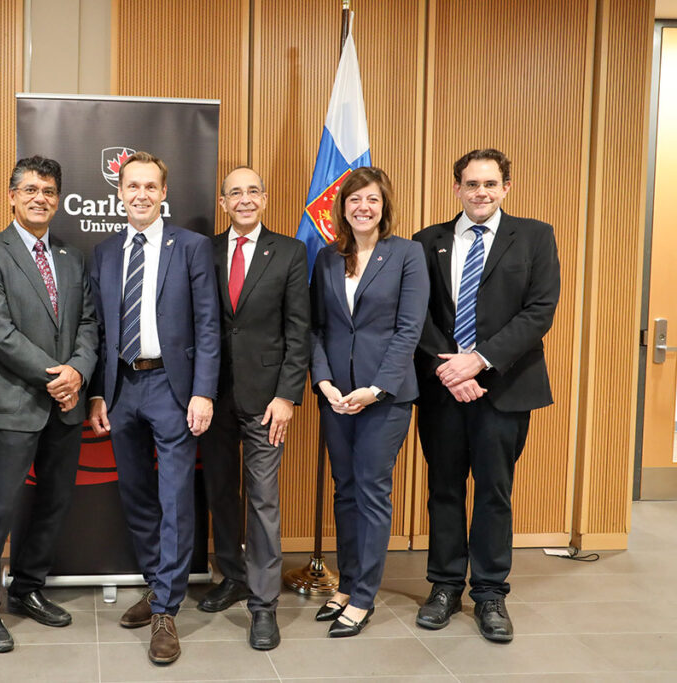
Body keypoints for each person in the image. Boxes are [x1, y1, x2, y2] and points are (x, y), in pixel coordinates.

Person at [412, 149, 560, 643]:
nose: (481, 193)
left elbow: (539, 312)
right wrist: (452, 369)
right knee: (445, 489)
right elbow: (419, 317)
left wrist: (478, 361)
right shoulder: (426, 241)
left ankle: (491, 593)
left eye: (490, 184)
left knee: (494, 492)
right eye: (471, 184)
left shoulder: (534, 236)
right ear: (456, 188)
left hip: (506, 388)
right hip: (442, 389)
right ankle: (445, 586)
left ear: (506, 188)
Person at [88, 151, 220, 664]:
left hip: (173, 386)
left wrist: (203, 391)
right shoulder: (103, 251)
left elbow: (208, 324)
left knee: (175, 498)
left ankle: (166, 609)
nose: (140, 194)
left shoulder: (190, 247)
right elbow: (99, 330)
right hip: (122, 389)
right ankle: (155, 582)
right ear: (119, 193)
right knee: (137, 495)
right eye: (132, 186)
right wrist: (99, 392)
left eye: (150, 186)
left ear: (165, 193)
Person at [0, 156, 99, 653]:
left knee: (54, 502)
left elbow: (88, 323)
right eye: (31, 189)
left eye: (49, 191)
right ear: (12, 196)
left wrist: (78, 372)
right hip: (15, 402)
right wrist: (56, 377)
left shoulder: (70, 255)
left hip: (65, 404)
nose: (41, 197)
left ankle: (27, 588)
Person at [309, 166, 429, 637]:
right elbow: (317, 328)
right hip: (336, 396)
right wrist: (324, 383)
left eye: (372, 200)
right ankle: (347, 582)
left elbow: (408, 330)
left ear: (384, 206)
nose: (362, 207)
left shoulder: (407, 254)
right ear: (341, 207)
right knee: (345, 490)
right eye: (354, 199)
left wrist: (376, 388)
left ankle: (363, 596)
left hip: (385, 397)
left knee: (372, 491)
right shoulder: (325, 258)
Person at [197, 166, 309, 650]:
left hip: (267, 401)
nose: (244, 199)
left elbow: (299, 330)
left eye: (252, 191)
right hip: (212, 396)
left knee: (262, 499)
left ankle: (264, 606)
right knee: (221, 491)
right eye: (234, 193)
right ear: (223, 203)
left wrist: (287, 395)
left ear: (265, 198)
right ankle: (233, 576)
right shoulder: (203, 250)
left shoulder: (290, 251)